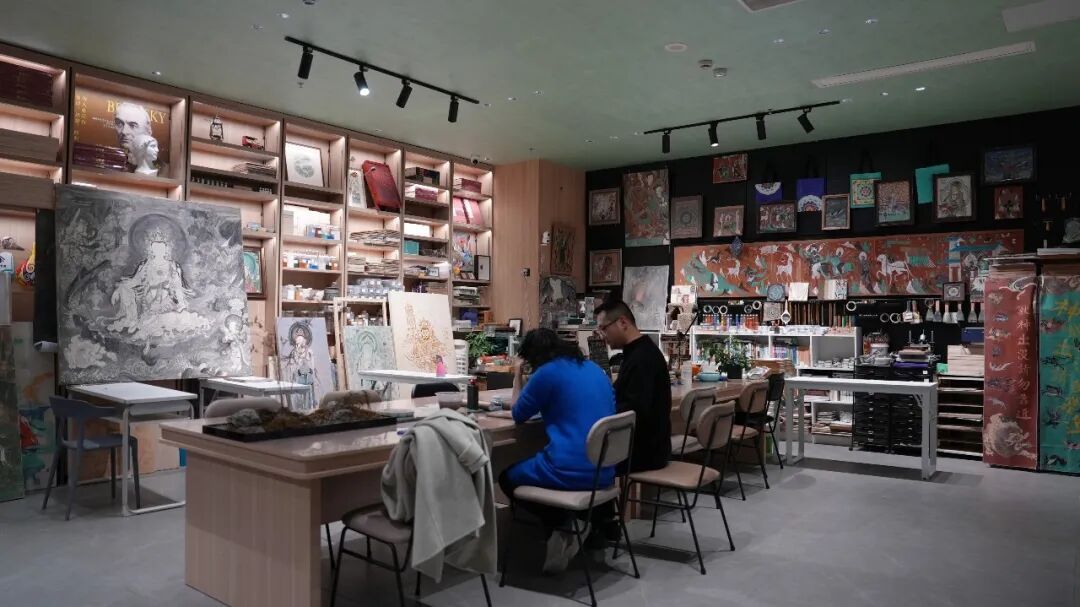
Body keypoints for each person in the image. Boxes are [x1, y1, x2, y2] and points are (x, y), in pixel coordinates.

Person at [499, 328, 615, 573]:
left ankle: (561, 525)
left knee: (507, 478)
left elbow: (518, 413)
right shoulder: (595, 369)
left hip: (568, 470)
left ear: (533, 357)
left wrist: (517, 376)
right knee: (536, 460)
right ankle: (573, 525)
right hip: (604, 471)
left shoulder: (546, 373)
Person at [591, 299, 672, 541]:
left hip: (645, 451)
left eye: (603, 328)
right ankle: (602, 524)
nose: (602, 335)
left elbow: (632, 411)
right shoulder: (640, 352)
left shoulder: (641, 359)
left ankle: (596, 528)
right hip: (651, 446)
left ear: (623, 322)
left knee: (583, 460)